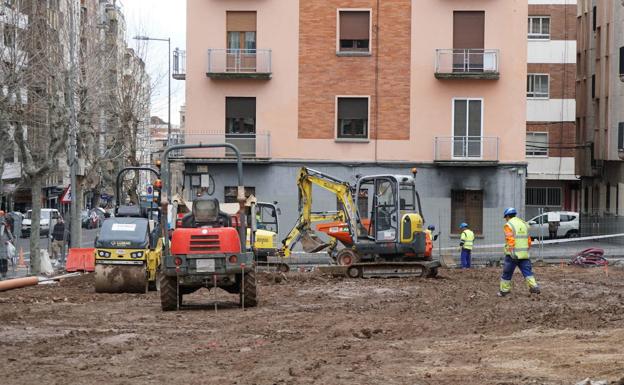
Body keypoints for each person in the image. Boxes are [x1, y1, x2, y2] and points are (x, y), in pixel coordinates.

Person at [498, 207, 540, 297]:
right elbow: (528, 240)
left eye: (505, 217)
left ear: (508, 216)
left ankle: (504, 291)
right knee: (527, 272)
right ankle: (534, 287)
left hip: (513, 255)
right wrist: (526, 250)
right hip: (524, 254)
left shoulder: (508, 225)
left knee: (507, 273)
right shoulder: (524, 224)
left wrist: (512, 252)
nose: (505, 219)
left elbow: (510, 240)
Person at [0, 211, 15, 279]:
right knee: (2, 259)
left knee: (4, 259)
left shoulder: (5, 225)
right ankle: (2, 272)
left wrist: (9, 241)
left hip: (4, 245)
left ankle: (4, 272)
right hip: (2, 244)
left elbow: (10, 237)